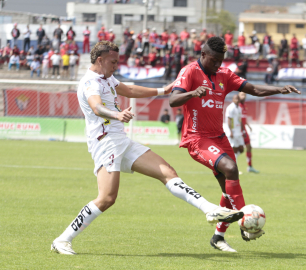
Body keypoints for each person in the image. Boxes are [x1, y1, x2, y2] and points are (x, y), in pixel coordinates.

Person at [50, 40, 243, 255]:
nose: (116, 65)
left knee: (168, 172)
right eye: (113, 62)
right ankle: (62, 240)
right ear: (100, 60)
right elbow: (96, 107)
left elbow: (129, 89)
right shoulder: (90, 83)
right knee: (106, 199)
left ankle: (210, 209)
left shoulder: (106, 78)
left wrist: (163, 90)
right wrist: (117, 114)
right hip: (105, 143)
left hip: (121, 141)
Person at [169, 37, 300, 252]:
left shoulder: (224, 75)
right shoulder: (189, 71)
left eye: (221, 61)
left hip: (219, 138)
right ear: (203, 55)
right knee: (230, 169)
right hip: (197, 138)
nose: (218, 65)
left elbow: (254, 89)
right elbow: (173, 100)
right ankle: (246, 222)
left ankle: (218, 237)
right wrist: (193, 93)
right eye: (214, 60)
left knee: (229, 189)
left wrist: (280, 89)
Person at [237, 92, 258, 173]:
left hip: (244, 129)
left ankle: (250, 166)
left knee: (249, 147)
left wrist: (248, 126)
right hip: (239, 130)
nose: (244, 96)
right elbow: (238, 120)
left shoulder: (244, 106)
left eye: (245, 95)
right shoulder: (237, 106)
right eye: (242, 95)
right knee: (237, 149)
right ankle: (233, 167)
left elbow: (243, 119)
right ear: (238, 96)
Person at [225, 94, 244, 163]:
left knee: (241, 149)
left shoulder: (239, 108)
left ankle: (231, 160)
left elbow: (240, 120)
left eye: (238, 99)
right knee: (234, 149)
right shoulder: (230, 107)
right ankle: (234, 165)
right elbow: (229, 120)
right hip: (233, 131)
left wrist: (243, 130)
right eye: (235, 99)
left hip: (239, 131)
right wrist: (230, 131)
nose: (237, 100)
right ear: (233, 99)